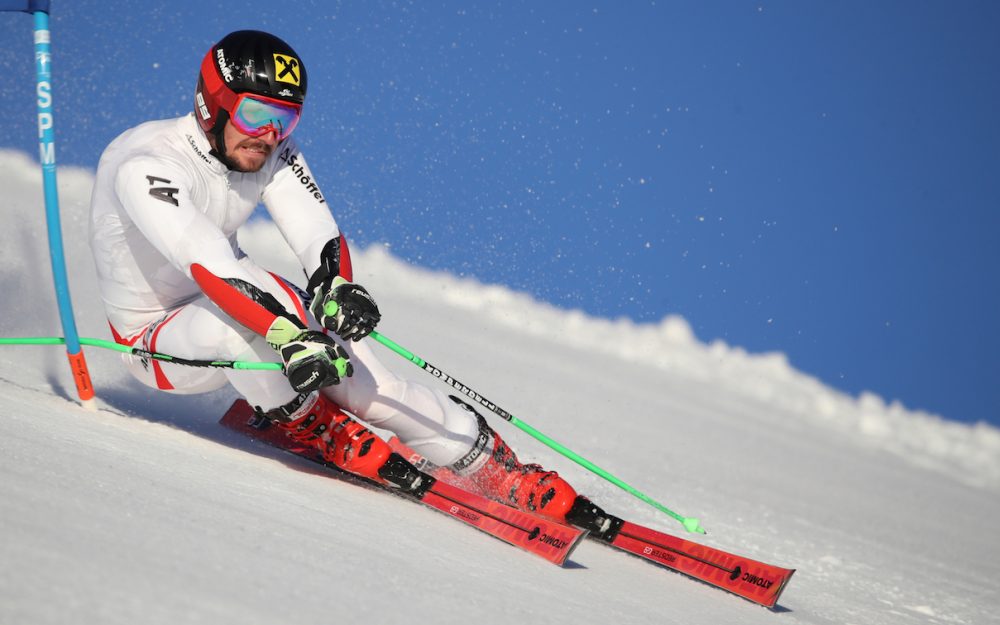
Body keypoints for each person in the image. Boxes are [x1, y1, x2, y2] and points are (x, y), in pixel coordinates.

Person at [88, 30, 607, 527]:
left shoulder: (268, 151)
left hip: (238, 296)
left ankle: (488, 463)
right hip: (155, 340)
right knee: (245, 331)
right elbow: (205, 260)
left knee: (367, 383)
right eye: (255, 113)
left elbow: (314, 229)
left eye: (285, 119)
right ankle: (311, 424)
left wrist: (332, 288)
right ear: (212, 102)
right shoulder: (148, 165)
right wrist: (290, 335)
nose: (269, 133)